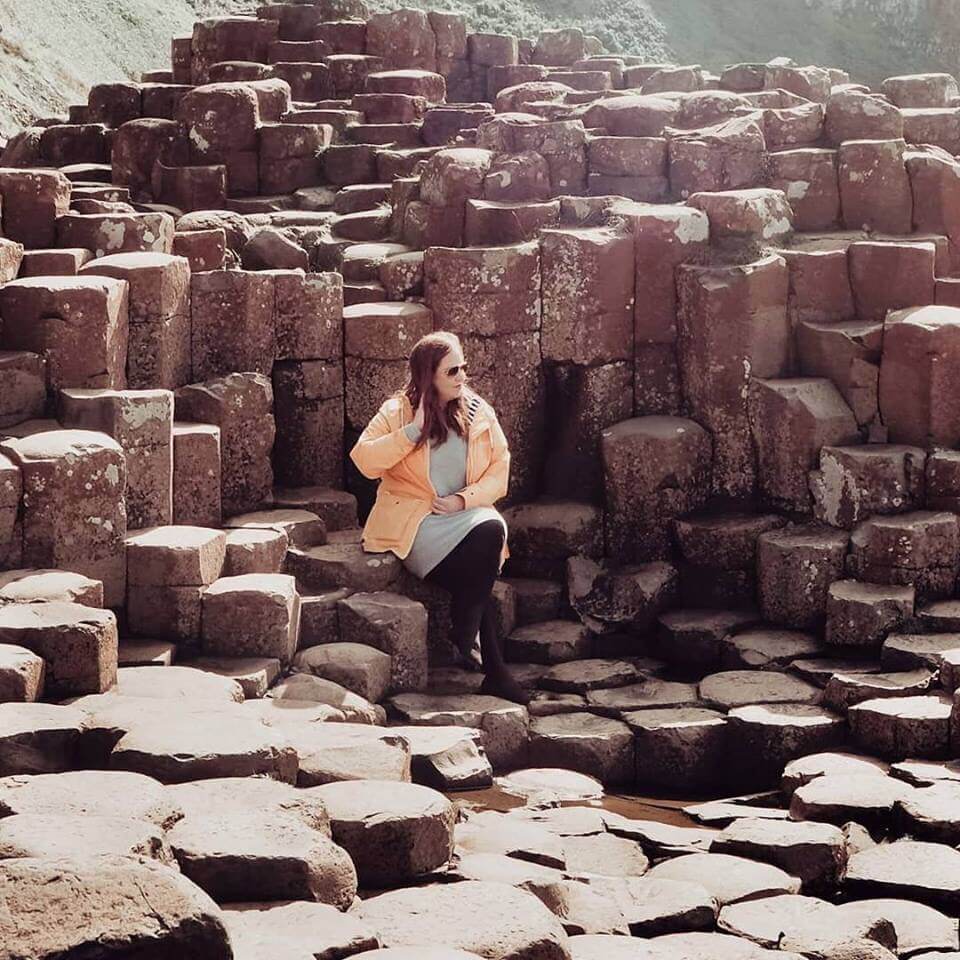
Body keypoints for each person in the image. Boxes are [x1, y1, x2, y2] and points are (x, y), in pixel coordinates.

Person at [350, 330, 529, 704]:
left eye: (464, 367)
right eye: (452, 371)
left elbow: (500, 473)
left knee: (493, 528)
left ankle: (468, 635)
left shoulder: (479, 412)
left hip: (463, 517)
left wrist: (464, 501)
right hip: (414, 524)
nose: (462, 376)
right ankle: (492, 667)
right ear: (428, 375)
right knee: (478, 575)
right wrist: (412, 430)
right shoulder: (396, 411)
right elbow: (364, 460)